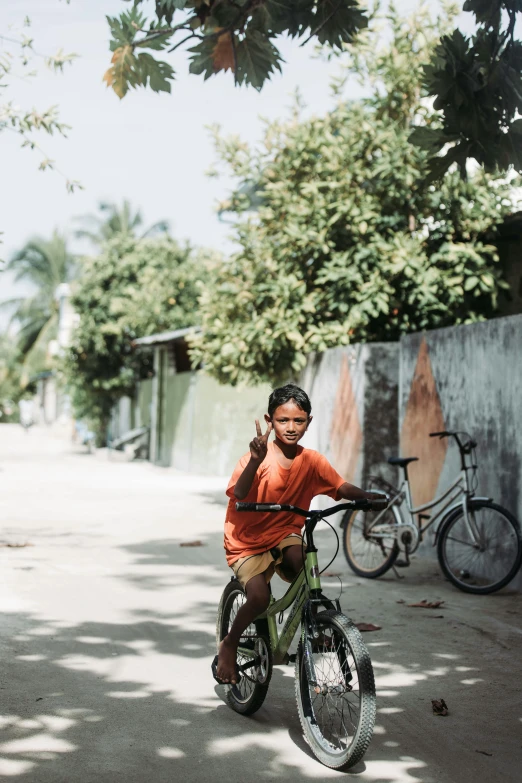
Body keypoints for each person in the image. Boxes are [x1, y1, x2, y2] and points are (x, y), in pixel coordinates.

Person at [215, 383, 379, 685]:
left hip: (285, 532)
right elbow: (239, 491)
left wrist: (364, 495)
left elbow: (339, 486)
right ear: (269, 421)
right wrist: (254, 459)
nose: (291, 427)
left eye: (298, 421)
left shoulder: (312, 460)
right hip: (246, 540)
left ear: (309, 421)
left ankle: (312, 624)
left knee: (302, 560)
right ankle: (230, 642)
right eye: (283, 420)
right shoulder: (259, 456)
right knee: (260, 597)